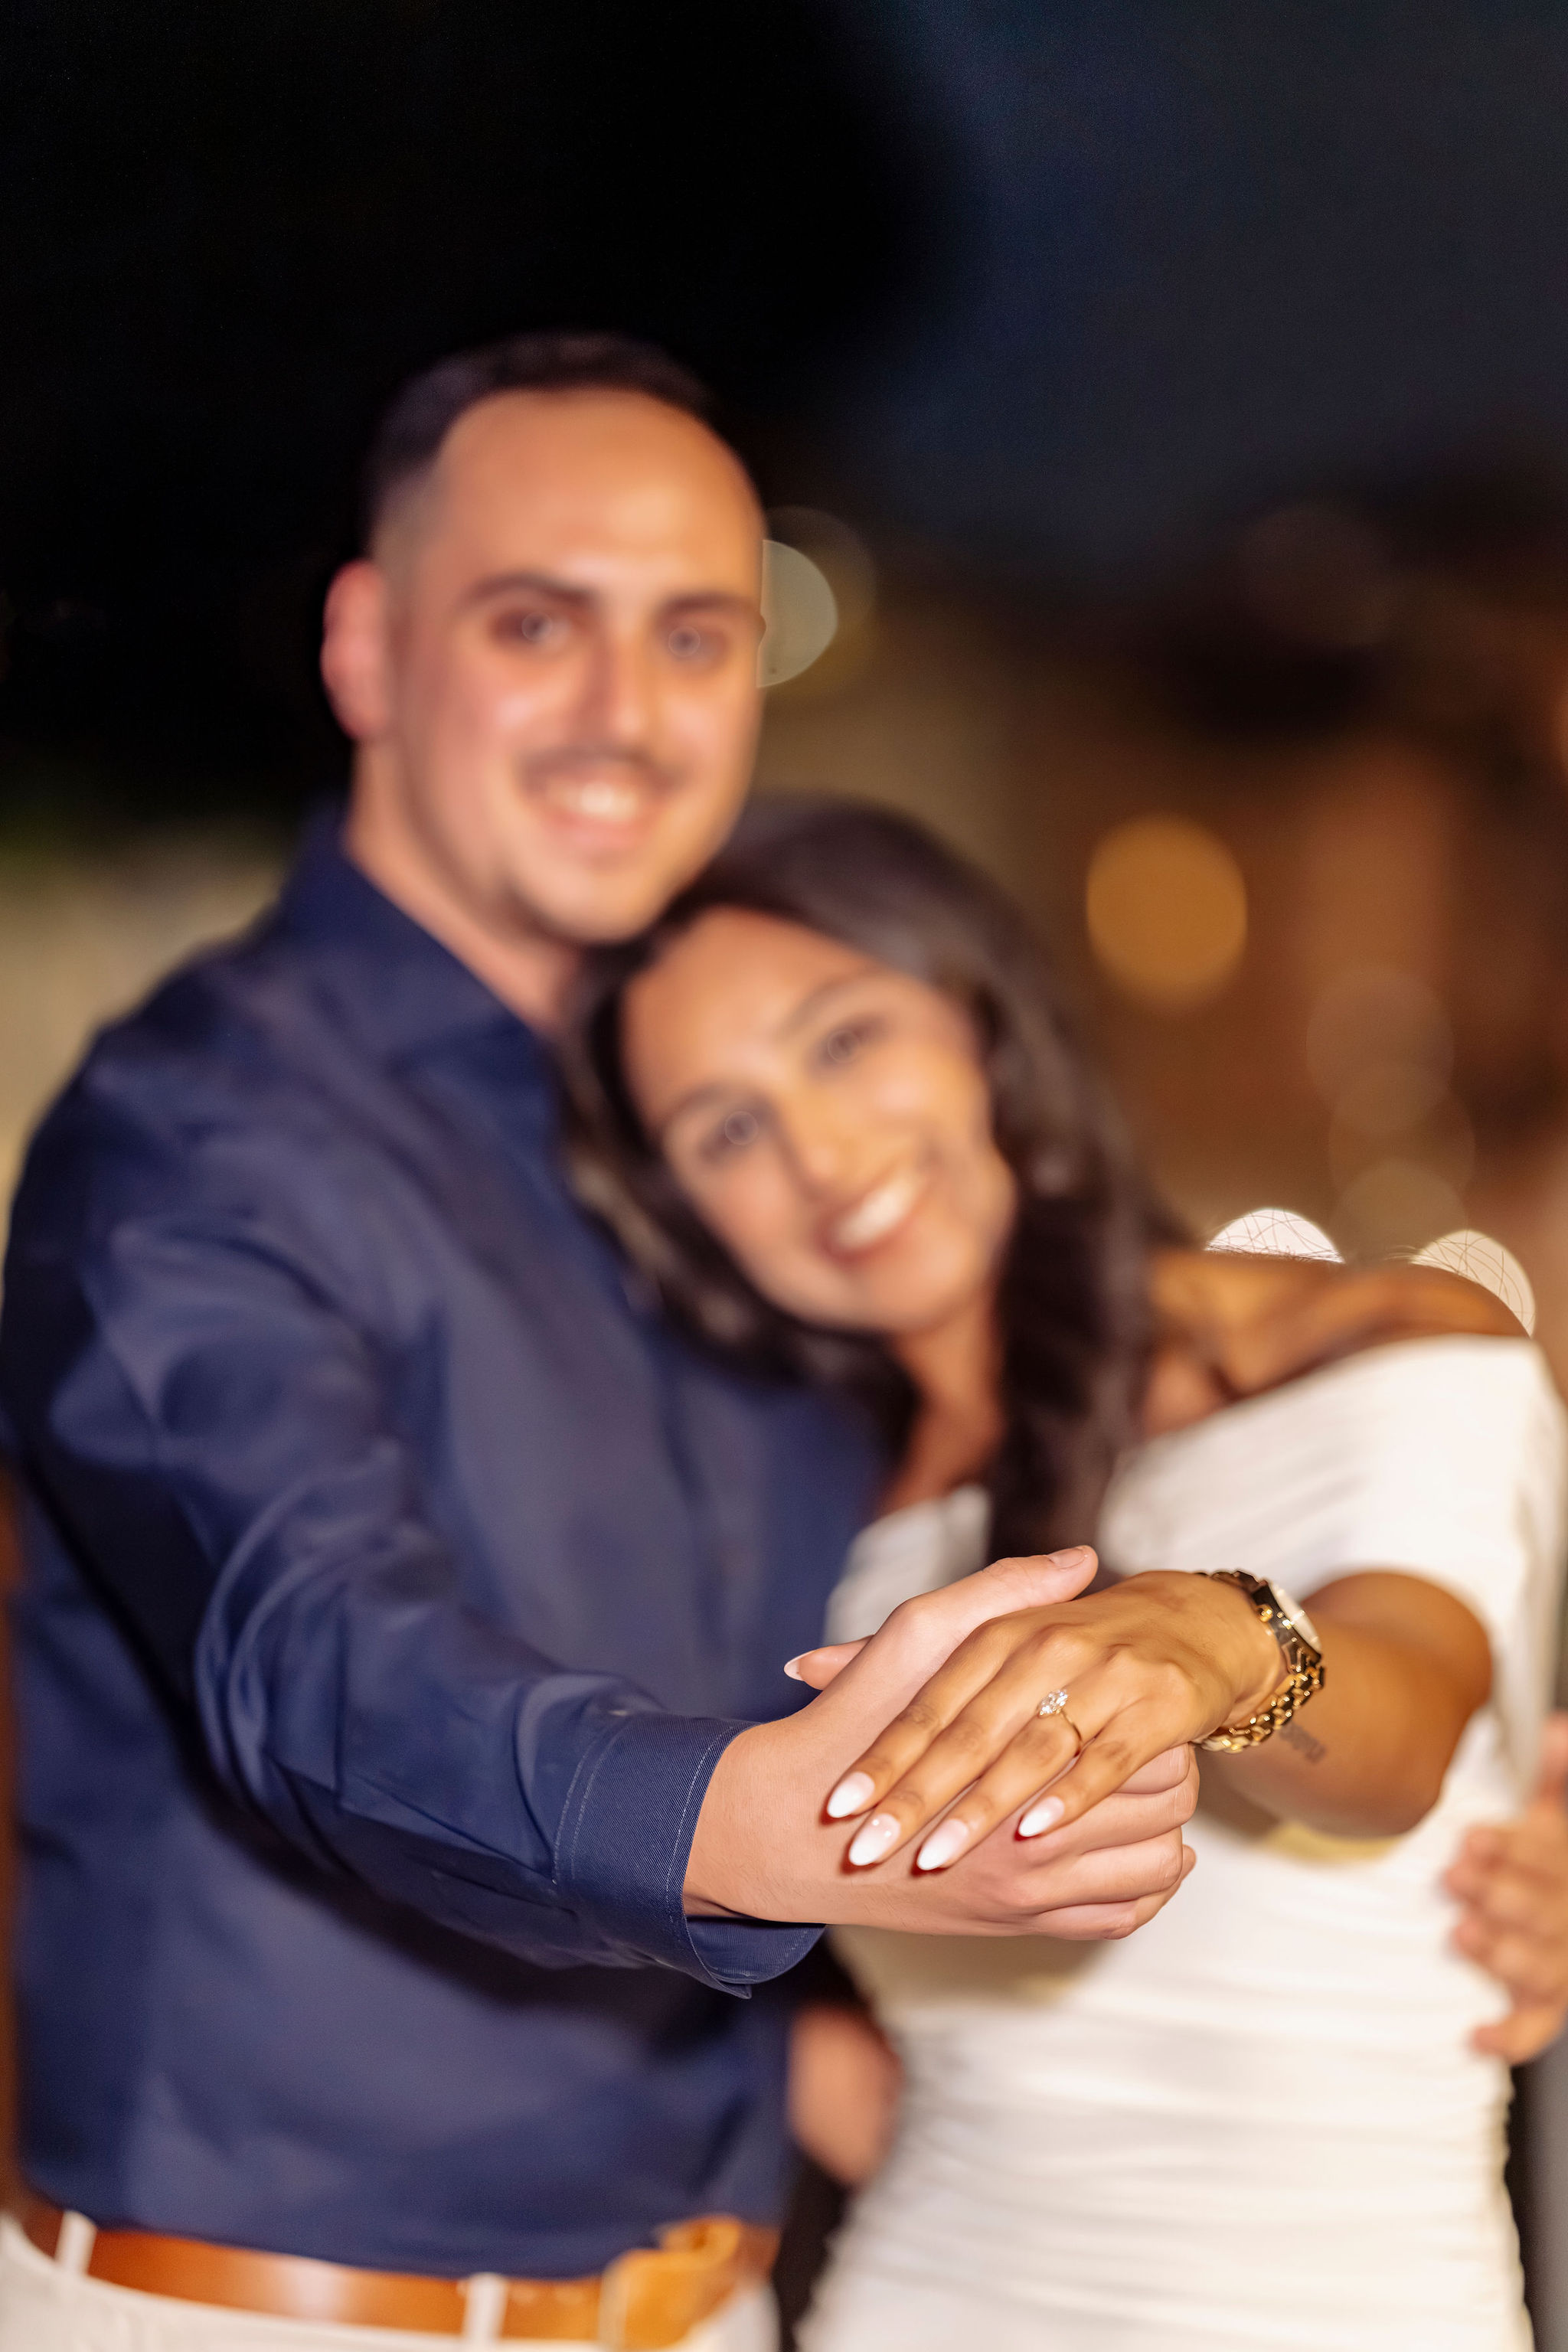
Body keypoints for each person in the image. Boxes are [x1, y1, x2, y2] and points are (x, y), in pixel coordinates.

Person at [0, 329, 1550, 2352]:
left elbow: (1286, 1659)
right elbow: (322, 1673)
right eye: (537, 622)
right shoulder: (197, 1138)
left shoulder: (737, 1235)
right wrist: (781, 1842)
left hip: (745, 2303)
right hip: (284, 2315)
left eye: (698, 636)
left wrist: (1475, 1806)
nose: (624, 715)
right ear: (371, 650)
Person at [567, 795, 1568, 2348]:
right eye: (727, 1129)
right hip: (929, 2295)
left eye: (842, 1043)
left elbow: (1403, 1737)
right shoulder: (789, 1514)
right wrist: (809, 2065)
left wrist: (1215, 1637)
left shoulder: (1361, 1345)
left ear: (977, 1019)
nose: (822, 1156)